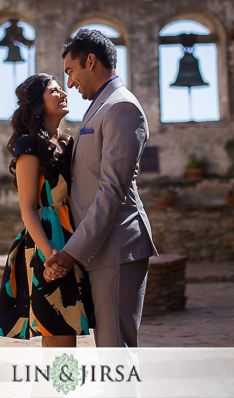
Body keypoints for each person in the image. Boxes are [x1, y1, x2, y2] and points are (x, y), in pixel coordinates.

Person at [44, 28, 158, 347]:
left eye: (71, 71)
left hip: (116, 248)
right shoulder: (100, 105)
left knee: (115, 352)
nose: (69, 83)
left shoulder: (122, 107)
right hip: (99, 249)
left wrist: (71, 252)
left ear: (90, 61)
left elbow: (111, 191)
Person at [0, 73, 95, 346]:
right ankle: (61, 388)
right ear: (38, 102)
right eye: (54, 90)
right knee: (59, 333)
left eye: (63, 89)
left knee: (68, 331)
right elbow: (27, 207)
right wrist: (51, 256)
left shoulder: (69, 144)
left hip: (74, 240)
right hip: (47, 244)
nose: (63, 94)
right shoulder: (28, 144)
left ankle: (62, 388)